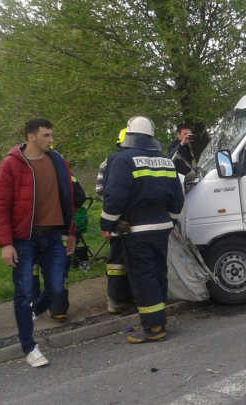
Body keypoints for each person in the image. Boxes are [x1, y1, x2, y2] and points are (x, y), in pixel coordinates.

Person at [0, 118, 76, 367]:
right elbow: (1, 206)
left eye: (51, 135)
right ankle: (30, 347)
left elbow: (68, 198)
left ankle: (30, 314)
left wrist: (70, 231)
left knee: (55, 290)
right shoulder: (11, 164)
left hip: (53, 237)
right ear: (31, 137)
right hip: (24, 239)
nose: (51, 139)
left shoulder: (58, 162)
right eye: (47, 135)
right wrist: (6, 243)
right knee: (24, 293)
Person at [100, 116, 184, 343]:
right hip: (162, 228)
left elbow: (114, 197)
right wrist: (171, 222)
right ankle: (159, 319)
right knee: (157, 274)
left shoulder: (123, 160)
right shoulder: (166, 160)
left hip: (137, 229)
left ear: (130, 134)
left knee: (143, 276)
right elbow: (178, 198)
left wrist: (106, 225)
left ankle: (154, 327)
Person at [30, 175, 86, 323]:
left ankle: (31, 308)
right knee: (58, 270)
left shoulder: (23, 171)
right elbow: (80, 196)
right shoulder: (65, 174)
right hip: (60, 229)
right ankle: (58, 309)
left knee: (31, 269)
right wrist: (70, 212)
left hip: (29, 231)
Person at [96, 128, 134, 313]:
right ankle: (125, 296)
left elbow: (99, 190)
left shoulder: (108, 160)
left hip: (115, 217)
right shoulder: (134, 159)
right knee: (128, 258)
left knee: (117, 258)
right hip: (132, 218)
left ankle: (116, 298)